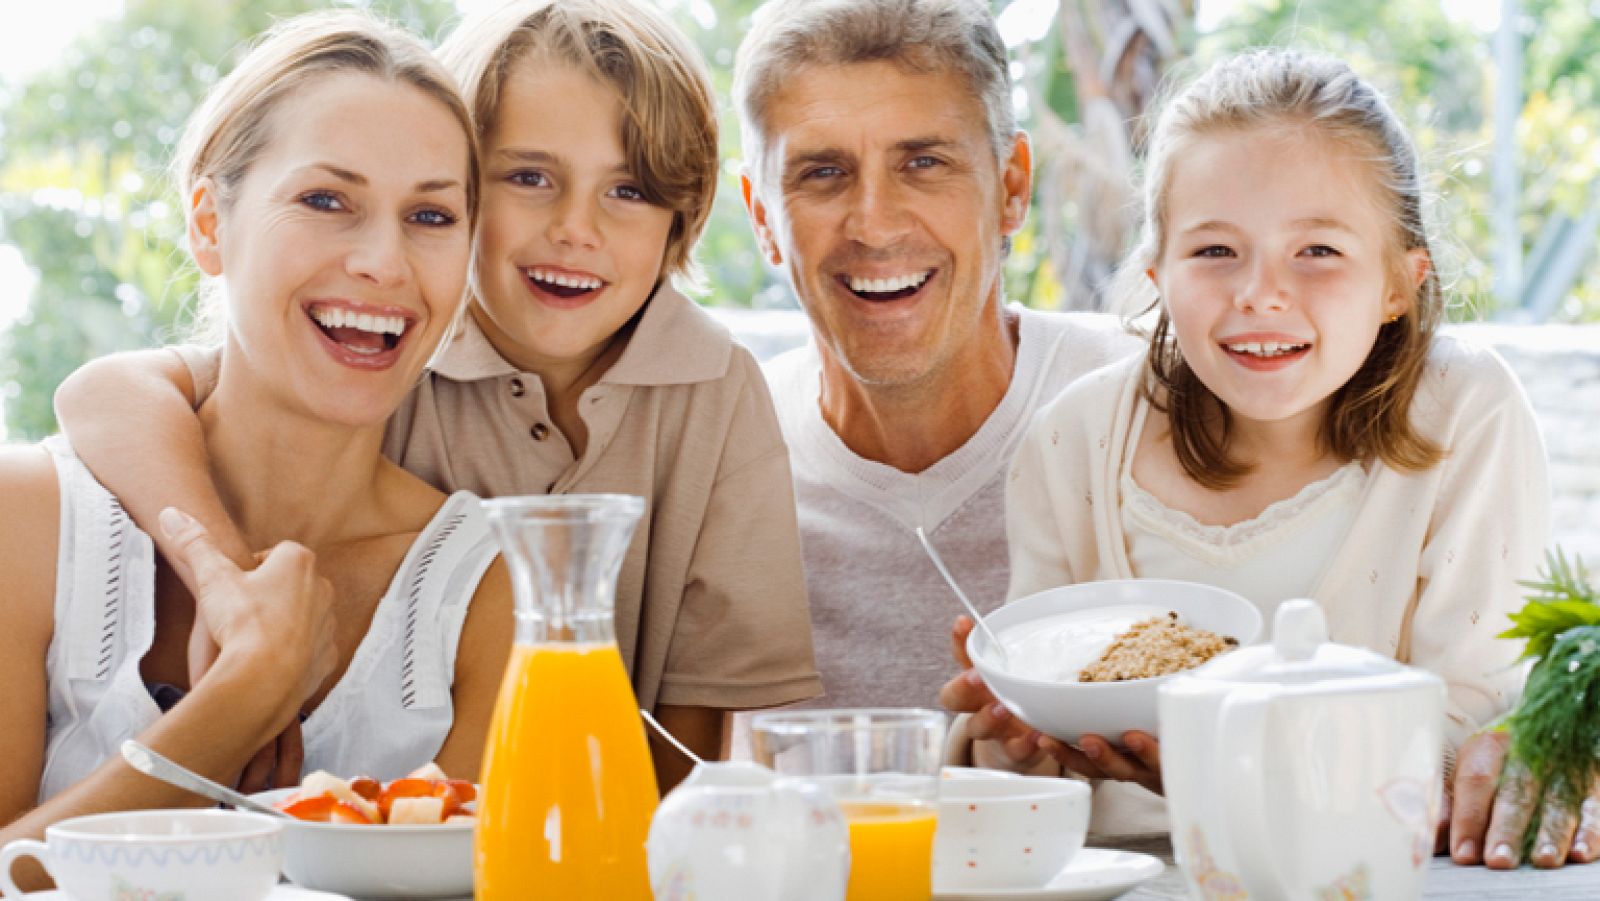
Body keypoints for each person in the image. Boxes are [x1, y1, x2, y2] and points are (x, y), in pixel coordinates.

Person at [54, 0, 822, 792]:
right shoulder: (378, 346)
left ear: (680, 219)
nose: (574, 228)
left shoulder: (713, 387)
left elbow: (694, 739)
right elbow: (110, 391)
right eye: (529, 176)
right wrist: (228, 594)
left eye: (628, 191)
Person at [943, 49, 1596, 868]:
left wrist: (1220, 760)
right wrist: (1010, 740)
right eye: (1214, 251)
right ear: (1159, 273)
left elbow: (1469, 735)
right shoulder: (1074, 438)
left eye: (1317, 250)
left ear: (1400, 280)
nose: (1260, 292)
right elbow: (1039, 752)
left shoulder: (1463, 411)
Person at [0, 11, 511, 890]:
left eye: (430, 215)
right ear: (208, 222)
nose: (385, 263)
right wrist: (240, 699)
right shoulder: (31, 519)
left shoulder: (487, 588)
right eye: (326, 201)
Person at [731, 0, 1136, 718]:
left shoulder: (1146, 411)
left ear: (1011, 188)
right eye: (823, 173)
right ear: (762, 217)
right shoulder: (717, 467)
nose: (875, 226)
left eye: (923, 163)